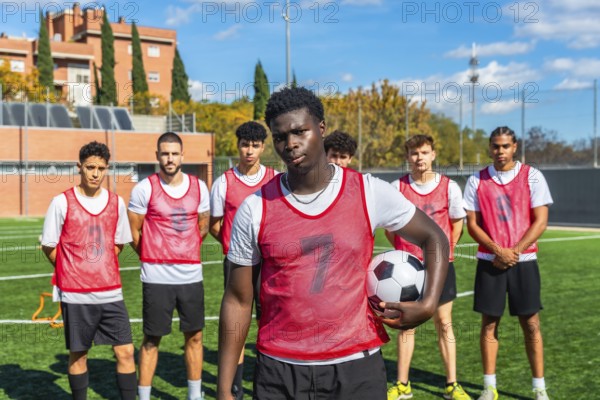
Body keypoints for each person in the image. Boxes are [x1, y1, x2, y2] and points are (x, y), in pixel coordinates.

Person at [217, 87, 450, 400]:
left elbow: (433, 236)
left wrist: (429, 302)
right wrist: (223, 388)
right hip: (280, 369)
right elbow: (237, 300)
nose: (291, 144)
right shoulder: (254, 208)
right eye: (280, 136)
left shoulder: (367, 191)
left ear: (321, 129)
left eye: (300, 131)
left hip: (356, 368)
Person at [41, 141, 136, 400]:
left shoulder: (116, 203)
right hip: (76, 295)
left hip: (111, 293)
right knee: (79, 354)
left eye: (101, 168)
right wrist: (74, 269)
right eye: (90, 167)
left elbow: (119, 243)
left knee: (126, 351)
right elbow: (49, 245)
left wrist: (100, 263)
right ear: (79, 167)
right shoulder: (61, 202)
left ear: (107, 169)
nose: (95, 173)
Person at [463, 126, 553, 400]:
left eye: (505, 146)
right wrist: (497, 251)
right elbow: (472, 224)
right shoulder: (476, 180)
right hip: (490, 261)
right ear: (489, 148)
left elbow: (541, 221)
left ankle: (539, 389)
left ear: (515, 147)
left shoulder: (532, 176)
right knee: (489, 323)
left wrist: (513, 251)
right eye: (495, 146)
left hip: (523, 261)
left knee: (531, 324)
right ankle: (489, 387)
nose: (499, 151)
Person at [385, 134, 471, 400]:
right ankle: (402, 385)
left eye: (424, 152)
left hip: (440, 267)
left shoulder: (450, 187)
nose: (419, 158)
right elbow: (390, 230)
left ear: (433, 154)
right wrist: (405, 252)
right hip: (406, 270)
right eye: (413, 153)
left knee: (444, 323)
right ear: (407, 157)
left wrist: (445, 251)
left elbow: (457, 223)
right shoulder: (396, 187)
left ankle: (452, 384)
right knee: (406, 325)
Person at [128, 132, 210, 400]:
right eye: (165, 153)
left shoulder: (199, 187)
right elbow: (134, 233)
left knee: (195, 337)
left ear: (182, 156)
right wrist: (153, 254)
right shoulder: (144, 188)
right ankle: (143, 396)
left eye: (175, 153)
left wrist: (183, 249)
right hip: (156, 276)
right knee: (152, 339)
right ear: (157, 156)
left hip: (190, 274)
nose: (170, 158)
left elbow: (203, 226)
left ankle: (194, 395)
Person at [209, 121, 277, 399]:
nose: (249, 150)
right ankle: (234, 389)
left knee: (269, 323)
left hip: (270, 263)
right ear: (237, 146)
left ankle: (269, 384)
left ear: (263, 147)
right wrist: (233, 245)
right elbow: (215, 224)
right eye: (245, 145)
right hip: (238, 264)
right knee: (236, 325)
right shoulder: (223, 181)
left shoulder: (274, 178)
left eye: (255, 145)